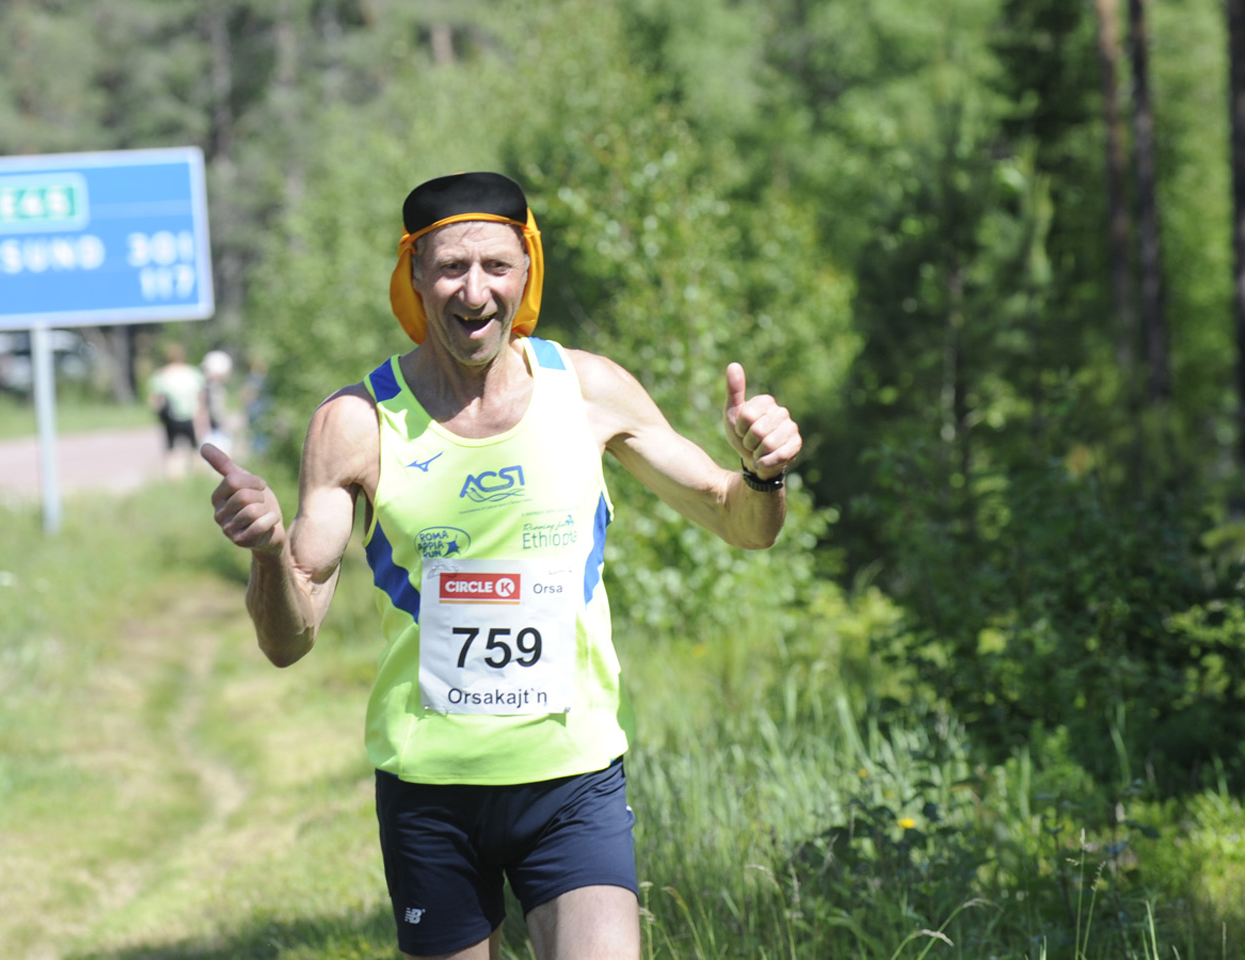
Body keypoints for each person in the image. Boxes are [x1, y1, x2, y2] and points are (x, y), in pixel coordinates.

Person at [201, 172, 801, 960]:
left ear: (527, 272)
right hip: (431, 790)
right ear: (416, 276)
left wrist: (761, 474)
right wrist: (269, 552)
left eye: (496, 266)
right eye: (452, 267)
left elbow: (738, 521)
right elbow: (290, 637)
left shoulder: (587, 390)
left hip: (572, 774)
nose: (475, 290)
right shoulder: (358, 422)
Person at [148, 342, 209, 477]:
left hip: (171, 418)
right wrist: (203, 415)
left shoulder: (161, 374)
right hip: (191, 416)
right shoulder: (193, 373)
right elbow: (201, 397)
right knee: (195, 448)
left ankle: (174, 477)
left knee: (171, 450)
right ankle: (199, 475)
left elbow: (155, 401)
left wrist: (158, 414)